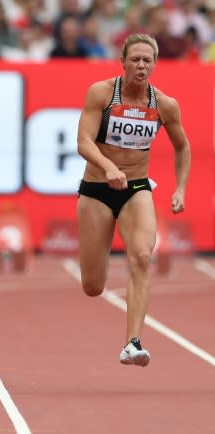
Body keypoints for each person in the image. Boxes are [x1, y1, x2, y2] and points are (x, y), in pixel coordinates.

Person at [75, 33, 190, 367]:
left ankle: (133, 342)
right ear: (123, 61)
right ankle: (100, 284)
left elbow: (183, 146)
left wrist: (180, 188)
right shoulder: (101, 93)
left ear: (155, 64)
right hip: (97, 189)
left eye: (147, 60)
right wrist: (108, 166)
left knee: (142, 256)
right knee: (93, 286)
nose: (142, 66)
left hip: (137, 188)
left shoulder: (164, 104)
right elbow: (84, 142)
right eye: (135, 59)